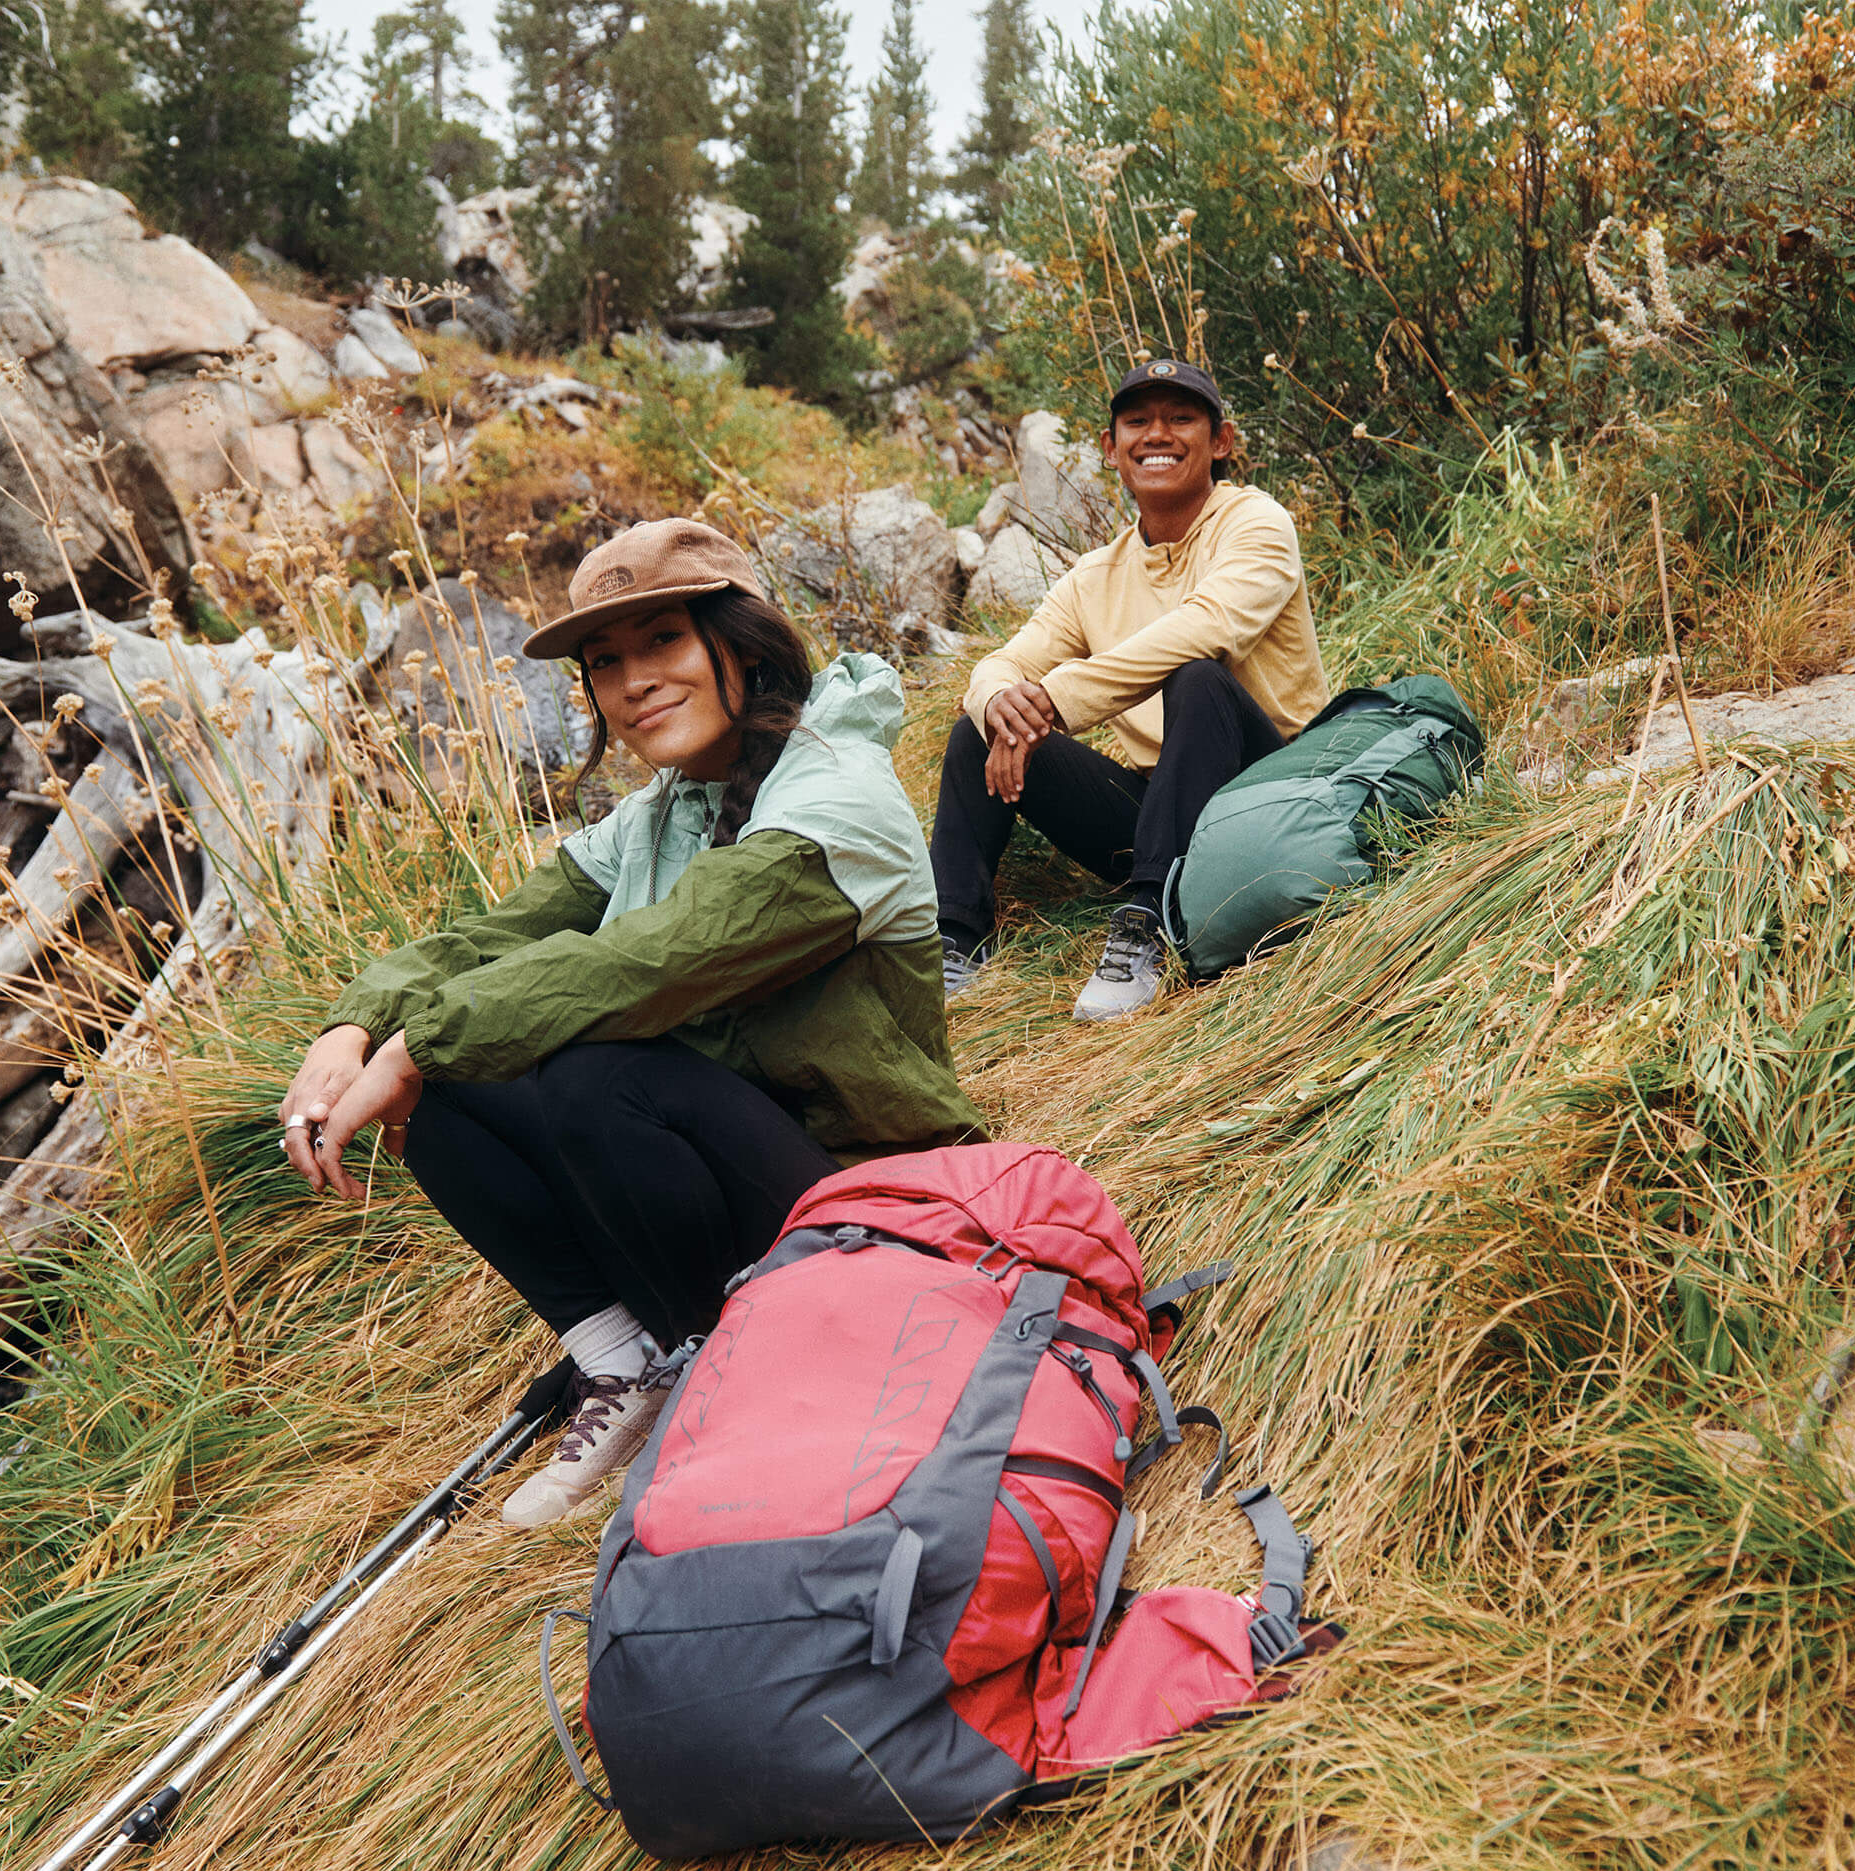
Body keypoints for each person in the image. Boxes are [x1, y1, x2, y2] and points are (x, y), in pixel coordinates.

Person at [279, 520, 984, 1528]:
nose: (630, 680)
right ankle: (633, 1363)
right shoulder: (662, 810)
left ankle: (727, 1372)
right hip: (720, 1179)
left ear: (739, 643)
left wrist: (414, 1042)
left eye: (661, 641)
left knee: (588, 1068)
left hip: (868, 1195)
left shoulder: (837, 795)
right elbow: (493, 935)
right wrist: (350, 1028)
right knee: (455, 1088)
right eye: (604, 661)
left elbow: (651, 963)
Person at [933, 359, 1329, 1021]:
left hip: (1273, 795)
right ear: (1111, 449)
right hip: (1162, 811)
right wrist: (1004, 704)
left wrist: (1056, 700)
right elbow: (1002, 664)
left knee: (1198, 675)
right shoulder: (1096, 576)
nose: (1158, 435)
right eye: (1138, 422)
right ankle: (954, 943)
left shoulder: (1257, 524)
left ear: (1221, 442)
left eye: (1180, 419)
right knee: (981, 728)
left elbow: (1210, 627)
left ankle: (1149, 922)